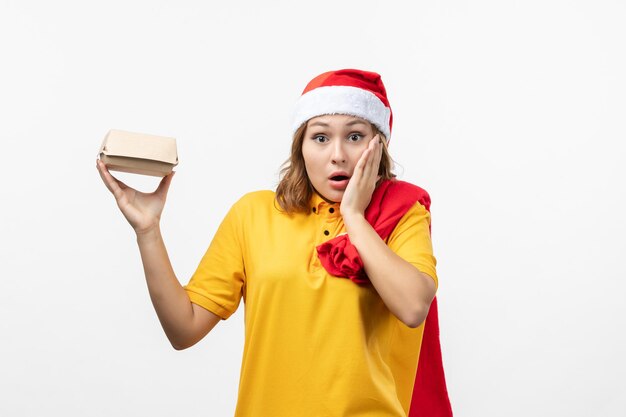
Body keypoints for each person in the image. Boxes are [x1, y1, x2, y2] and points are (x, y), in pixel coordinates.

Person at [96, 69, 452, 417]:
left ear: (379, 146)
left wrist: (355, 218)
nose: (338, 155)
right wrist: (148, 231)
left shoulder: (404, 213)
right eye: (321, 137)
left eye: (355, 136)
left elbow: (413, 307)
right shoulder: (253, 215)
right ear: (301, 147)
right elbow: (183, 329)